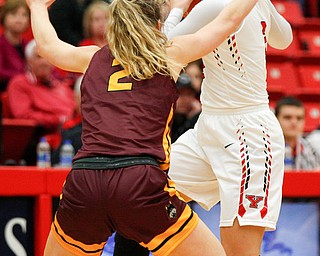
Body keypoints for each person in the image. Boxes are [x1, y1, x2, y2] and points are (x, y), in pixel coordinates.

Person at [26, 0, 259, 255]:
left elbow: (48, 47)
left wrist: (36, 5)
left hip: (85, 181)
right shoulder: (169, 53)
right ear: (158, 25)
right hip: (139, 181)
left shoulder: (92, 57)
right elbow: (228, 21)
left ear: (113, 25)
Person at [113, 0, 293, 255]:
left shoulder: (213, 5)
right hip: (209, 127)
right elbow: (284, 38)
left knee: (239, 251)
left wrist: (178, 8)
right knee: (141, 196)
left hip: (249, 135)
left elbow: (155, 51)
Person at [7, 39, 76, 165]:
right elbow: (23, 115)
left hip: (68, 137)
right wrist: (57, 119)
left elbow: (75, 111)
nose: (44, 62)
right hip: (38, 141)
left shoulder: (61, 86)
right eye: (39, 57)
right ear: (28, 61)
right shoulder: (19, 83)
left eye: (47, 57)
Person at [275, 96, 320, 170]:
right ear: (276, 120)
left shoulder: (312, 150)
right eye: (287, 117)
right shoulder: (265, 149)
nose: (294, 122)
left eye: (299, 118)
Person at [0, 0, 30, 91]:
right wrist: (27, 77)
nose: (19, 19)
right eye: (14, 14)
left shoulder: (29, 45)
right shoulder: (1, 44)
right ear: (4, 17)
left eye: (24, 15)